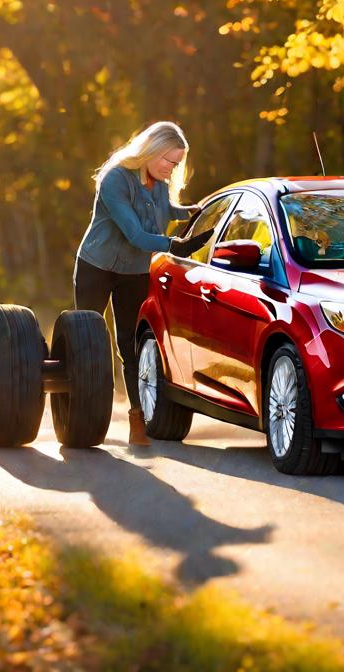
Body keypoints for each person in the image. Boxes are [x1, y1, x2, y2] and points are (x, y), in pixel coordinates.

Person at [72, 121, 212, 446]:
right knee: (89, 338)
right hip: (97, 265)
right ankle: (83, 411)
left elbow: (162, 210)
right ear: (150, 150)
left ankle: (137, 418)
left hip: (133, 270)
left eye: (176, 164)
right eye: (168, 160)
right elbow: (134, 233)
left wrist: (188, 211)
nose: (171, 169)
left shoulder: (159, 182)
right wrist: (172, 245)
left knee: (129, 344)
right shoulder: (115, 179)